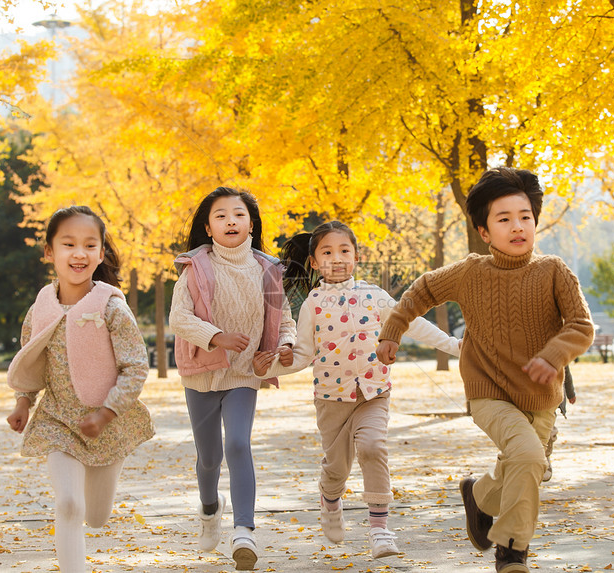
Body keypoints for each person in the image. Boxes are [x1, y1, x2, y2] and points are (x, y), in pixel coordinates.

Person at [375, 167, 594, 573]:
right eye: (504, 218)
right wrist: (393, 329)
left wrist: (553, 356)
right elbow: (422, 289)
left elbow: (580, 326)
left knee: (523, 466)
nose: (517, 227)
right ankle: (512, 551)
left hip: (542, 396)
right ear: (484, 230)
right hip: (488, 390)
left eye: (525, 217)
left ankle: (479, 496)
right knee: (529, 457)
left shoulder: (554, 271)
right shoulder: (470, 272)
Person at [253, 220, 461, 559]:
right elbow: (304, 355)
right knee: (337, 467)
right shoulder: (312, 304)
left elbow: (411, 323)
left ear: (357, 256)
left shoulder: (375, 296)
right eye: (327, 252)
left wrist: (456, 345)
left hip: (373, 393)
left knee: (373, 447)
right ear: (314, 262)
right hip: (331, 399)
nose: (337, 258)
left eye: (344, 251)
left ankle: (379, 529)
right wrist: (272, 366)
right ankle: (330, 499)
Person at [6, 206, 154, 573]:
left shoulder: (111, 306)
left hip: (109, 423)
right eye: (68, 244)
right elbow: (30, 359)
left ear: (101, 254)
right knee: (69, 504)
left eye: (90, 245)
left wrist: (105, 414)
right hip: (58, 421)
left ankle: (99, 503)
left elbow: (136, 367)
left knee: (97, 516)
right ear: (49, 252)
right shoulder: (40, 307)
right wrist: (23, 402)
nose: (79, 253)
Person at [168, 186, 296, 571]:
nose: (230, 221)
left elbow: (285, 318)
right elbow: (179, 318)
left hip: (244, 372)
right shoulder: (195, 268)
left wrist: (286, 345)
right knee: (209, 458)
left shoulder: (269, 270)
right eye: (220, 216)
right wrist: (216, 336)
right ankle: (210, 509)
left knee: (238, 443)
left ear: (252, 224)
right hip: (202, 374)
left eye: (238, 214)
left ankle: (244, 531)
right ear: (208, 228)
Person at [542, 365, 576, 482]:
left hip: (552, 396)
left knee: (549, 429)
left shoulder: (555, 349)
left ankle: (546, 457)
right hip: (531, 393)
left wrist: (570, 393)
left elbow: (565, 370)